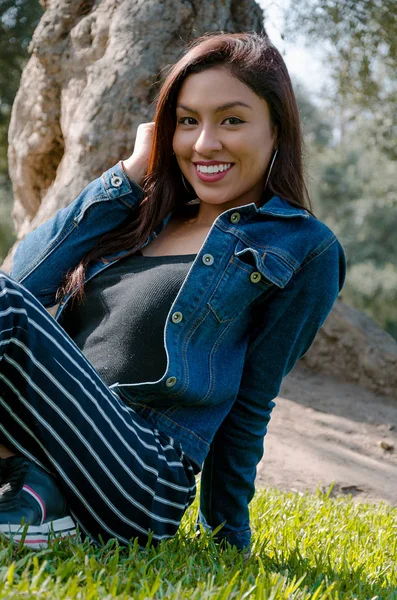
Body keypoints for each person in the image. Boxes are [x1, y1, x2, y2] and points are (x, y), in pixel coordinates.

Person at [0, 31, 346, 551]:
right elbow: (24, 280)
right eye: (187, 121)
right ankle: (36, 501)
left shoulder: (302, 246)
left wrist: (228, 536)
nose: (205, 143)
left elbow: (252, 401)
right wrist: (129, 176)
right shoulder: (140, 221)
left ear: (276, 129)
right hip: (51, 439)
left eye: (231, 119)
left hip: (139, 472)